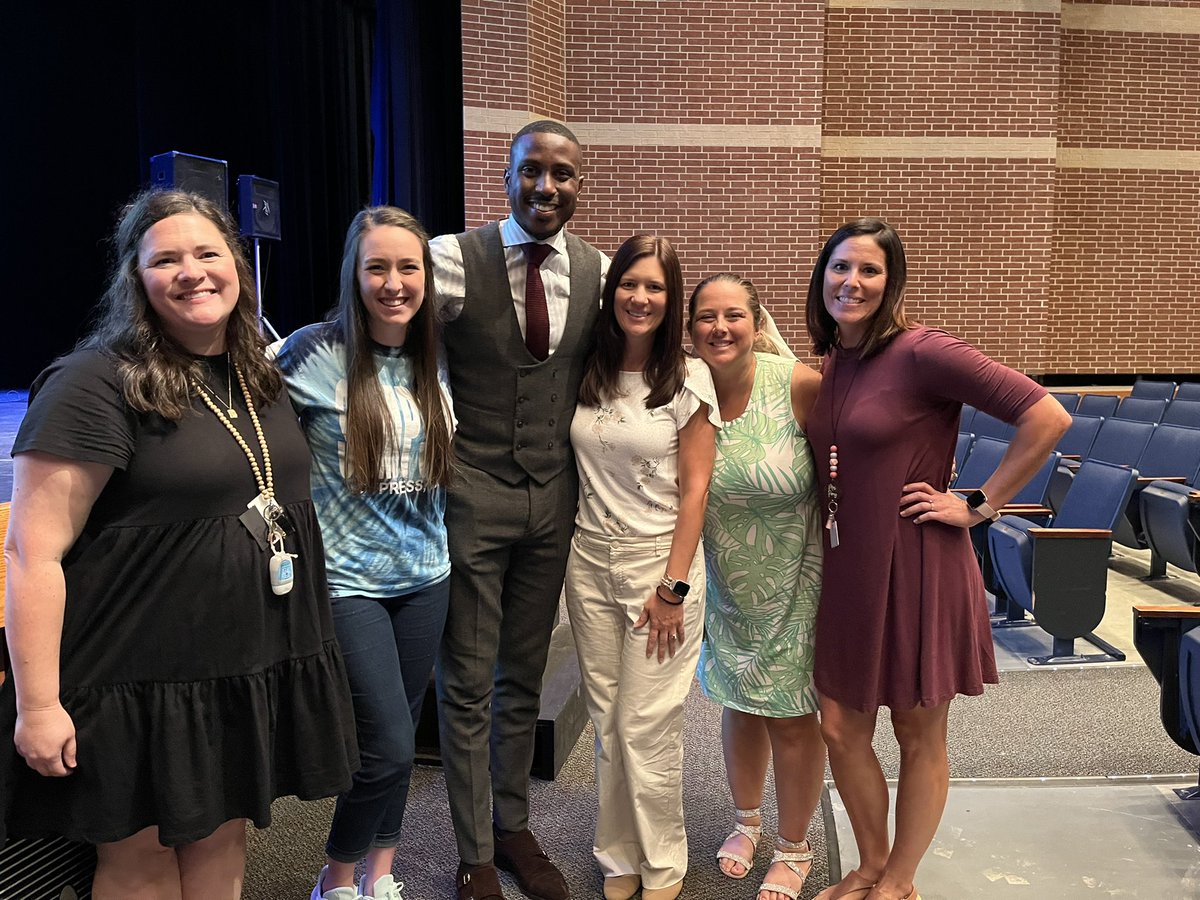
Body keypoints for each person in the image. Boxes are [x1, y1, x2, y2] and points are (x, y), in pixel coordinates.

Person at [0, 189, 358, 899]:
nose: (192, 272)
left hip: (236, 670)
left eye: (206, 253)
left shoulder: (257, 376)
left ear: (237, 265)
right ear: (136, 278)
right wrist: (38, 706)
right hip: (133, 680)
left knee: (222, 841)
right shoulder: (94, 383)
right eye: (166, 259)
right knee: (141, 863)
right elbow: (30, 554)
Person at [804, 219, 1071, 900]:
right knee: (839, 726)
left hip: (917, 563)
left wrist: (980, 503)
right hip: (848, 569)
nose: (852, 282)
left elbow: (1047, 416)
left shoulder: (924, 351)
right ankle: (870, 864)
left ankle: (897, 880)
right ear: (822, 277)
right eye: (840, 267)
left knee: (916, 729)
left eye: (869, 270)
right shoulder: (833, 362)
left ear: (891, 282)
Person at [429, 119, 609, 900]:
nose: (546, 186)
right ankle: (473, 851)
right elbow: (377, 329)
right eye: (531, 169)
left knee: (523, 676)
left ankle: (512, 826)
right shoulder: (449, 258)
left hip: (552, 500)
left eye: (562, 174)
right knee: (468, 679)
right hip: (472, 492)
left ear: (579, 184)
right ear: (506, 176)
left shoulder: (599, 272)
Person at [277, 206, 455, 900]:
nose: (393, 282)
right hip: (348, 582)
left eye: (408, 267)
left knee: (400, 733)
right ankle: (336, 878)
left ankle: (381, 873)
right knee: (385, 744)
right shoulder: (308, 353)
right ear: (355, 273)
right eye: (377, 267)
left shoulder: (434, 354)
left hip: (427, 575)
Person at [564, 234, 719, 900]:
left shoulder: (688, 378)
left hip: (660, 567)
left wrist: (672, 588)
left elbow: (697, 490)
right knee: (607, 719)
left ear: (670, 298)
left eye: (655, 287)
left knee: (645, 724)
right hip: (588, 562)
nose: (640, 297)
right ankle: (618, 854)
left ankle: (663, 863)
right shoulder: (589, 370)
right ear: (613, 291)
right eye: (630, 283)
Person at [687, 273, 826, 900]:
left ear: (756, 320)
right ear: (691, 329)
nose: (720, 328)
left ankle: (795, 846)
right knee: (739, 704)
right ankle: (746, 822)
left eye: (733, 315)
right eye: (706, 317)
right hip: (727, 583)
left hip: (798, 580)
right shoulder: (688, 388)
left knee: (793, 716)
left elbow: (854, 459)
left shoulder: (796, 384)